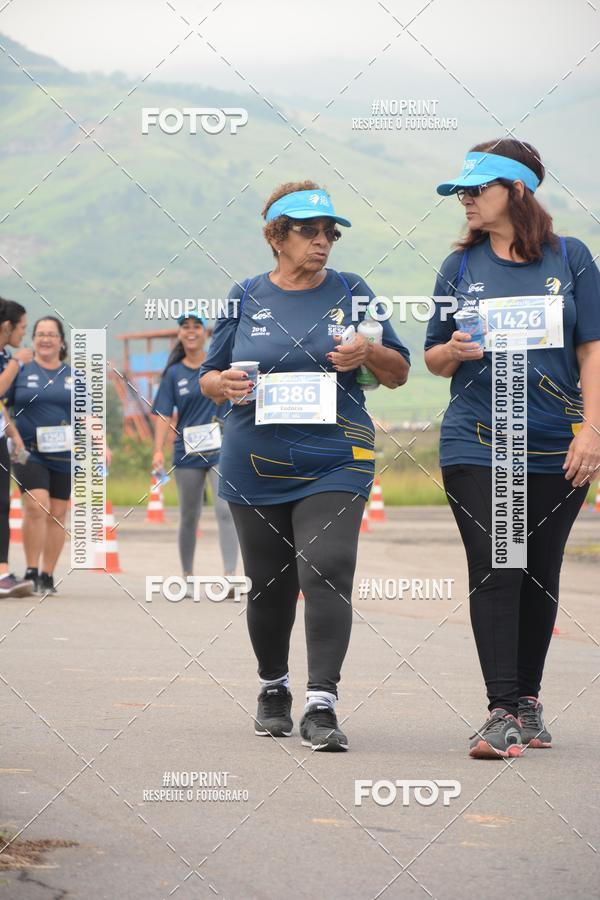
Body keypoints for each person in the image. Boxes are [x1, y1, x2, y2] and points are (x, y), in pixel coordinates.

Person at [199, 180, 410, 751]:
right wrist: (222, 383)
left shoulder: (353, 290)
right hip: (255, 459)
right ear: (276, 236)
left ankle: (322, 702)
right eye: (308, 231)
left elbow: (398, 372)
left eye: (329, 233)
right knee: (269, 584)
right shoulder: (244, 294)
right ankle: (274, 687)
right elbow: (208, 376)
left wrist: (369, 351)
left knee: (328, 566)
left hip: (335, 456)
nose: (322, 241)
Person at [425, 139, 600, 759]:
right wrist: (453, 351)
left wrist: (592, 429)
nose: (466, 200)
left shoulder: (571, 258)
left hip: (556, 443)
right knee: (499, 562)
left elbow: (592, 350)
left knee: (539, 571)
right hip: (476, 439)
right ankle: (501, 710)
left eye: (477, 189)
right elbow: (433, 356)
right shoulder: (459, 267)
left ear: (517, 190)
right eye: (461, 192)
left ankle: (527, 699)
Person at [152, 313, 239, 596]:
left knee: (225, 511)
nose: (191, 332)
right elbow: (163, 413)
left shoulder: (219, 366)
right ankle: (187, 576)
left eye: (196, 327)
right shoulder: (173, 374)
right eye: (185, 327)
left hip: (221, 450)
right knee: (189, 516)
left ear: (205, 333)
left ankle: (229, 576)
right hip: (187, 453)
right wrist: (157, 450)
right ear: (179, 334)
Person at [8, 317, 77, 594]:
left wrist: (101, 444)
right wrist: (12, 433)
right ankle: (31, 570)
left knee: (58, 512)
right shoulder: (21, 371)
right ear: (33, 339)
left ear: (61, 341)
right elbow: (2, 404)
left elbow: (88, 415)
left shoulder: (74, 376)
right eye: (40, 334)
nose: (45, 339)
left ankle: (47, 574)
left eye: (51, 334)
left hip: (64, 454)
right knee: (37, 506)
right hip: (28, 451)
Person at [0, 298, 35, 598]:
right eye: (22, 327)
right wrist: (17, 363)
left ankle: (2, 572)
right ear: (7, 326)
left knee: (2, 504)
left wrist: (14, 434)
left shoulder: (4, 356)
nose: (24, 333)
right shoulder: (11, 360)